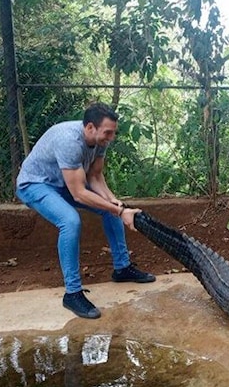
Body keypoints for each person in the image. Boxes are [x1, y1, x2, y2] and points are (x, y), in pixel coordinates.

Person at [15, 102, 153, 319]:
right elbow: (79, 193)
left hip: (64, 183)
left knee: (111, 209)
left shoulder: (101, 140)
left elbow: (95, 177)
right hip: (36, 184)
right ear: (90, 127)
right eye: (108, 132)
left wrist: (116, 204)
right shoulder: (69, 141)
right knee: (70, 221)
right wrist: (119, 211)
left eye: (113, 133)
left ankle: (122, 268)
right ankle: (72, 293)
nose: (111, 137)